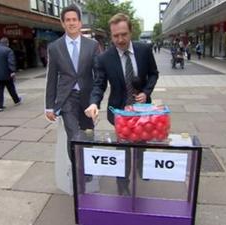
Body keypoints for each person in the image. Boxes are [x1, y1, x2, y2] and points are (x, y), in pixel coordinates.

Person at [85, 13, 159, 195]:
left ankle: (142, 167)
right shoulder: (104, 58)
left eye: (124, 34)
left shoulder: (144, 50)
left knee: (142, 141)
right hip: (118, 112)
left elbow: (154, 74)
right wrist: (94, 103)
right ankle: (122, 182)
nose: (120, 39)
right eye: (116, 36)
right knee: (123, 148)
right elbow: (99, 84)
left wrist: (146, 92)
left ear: (131, 32)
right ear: (111, 35)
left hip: (142, 110)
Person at [44, 4, 100, 160]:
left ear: (80, 23)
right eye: (67, 20)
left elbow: (99, 76)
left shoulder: (92, 45)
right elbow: (52, 77)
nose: (71, 23)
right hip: (67, 98)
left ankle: (87, 168)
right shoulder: (55, 47)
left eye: (74, 19)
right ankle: (77, 171)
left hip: (87, 98)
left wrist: (96, 101)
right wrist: (49, 106)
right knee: (73, 135)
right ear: (62, 23)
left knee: (88, 134)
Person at [0, 37, 22, 112]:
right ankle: (16, 100)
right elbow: (11, 61)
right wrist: (12, 71)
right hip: (7, 73)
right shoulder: (8, 50)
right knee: (11, 88)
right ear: (7, 43)